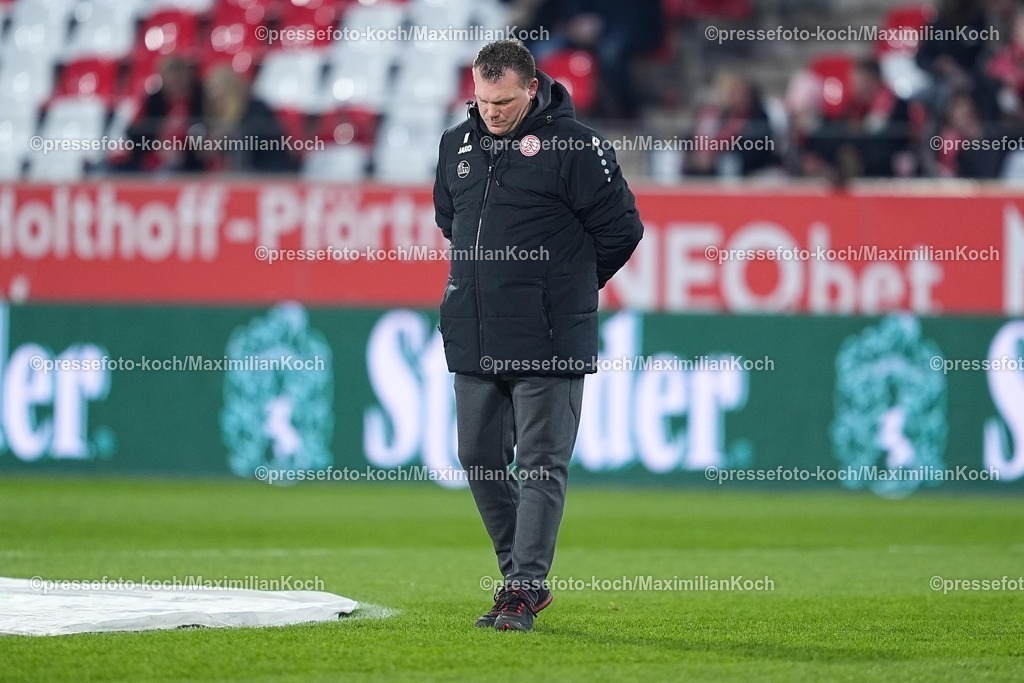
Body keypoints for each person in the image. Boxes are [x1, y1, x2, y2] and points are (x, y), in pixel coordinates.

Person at [433, 39, 643, 632]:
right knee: (477, 457)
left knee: (541, 465)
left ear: (531, 88)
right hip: (475, 330)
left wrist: (569, 286)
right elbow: (452, 221)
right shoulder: (457, 145)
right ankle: (517, 579)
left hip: (549, 334)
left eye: (502, 101)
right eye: (482, 100)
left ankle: (523, 589)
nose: (491, 112)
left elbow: (622, 229)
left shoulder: (576, 147)